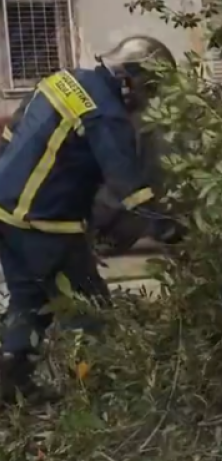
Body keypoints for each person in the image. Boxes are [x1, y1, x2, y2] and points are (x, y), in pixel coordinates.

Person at [0, 35, 184, 404]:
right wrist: (165, 225)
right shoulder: (105, 113)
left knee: (29, 304)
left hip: (7, 218)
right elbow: (126, 182)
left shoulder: (58, 80)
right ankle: (102, 399)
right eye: (149, 88)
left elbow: (9, 135)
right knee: (91, 314)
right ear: (130, 79)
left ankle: (9, 386)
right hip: (49, 227)